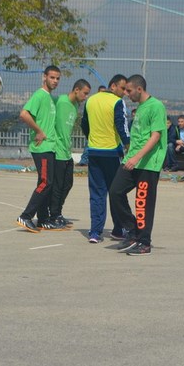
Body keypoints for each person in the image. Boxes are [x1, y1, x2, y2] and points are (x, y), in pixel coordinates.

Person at [110, 74, 167, 256]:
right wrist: (130, 156)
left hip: (148, 163)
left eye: (128, 90)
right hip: (132, 160)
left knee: (142, 203)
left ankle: (144, 242)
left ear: (139, 89)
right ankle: (133, 231)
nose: (126, 93)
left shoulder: (156, 106)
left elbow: (155, 136)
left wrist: (137, 158)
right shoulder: (141, 107)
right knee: (115, 192)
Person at [81, 74, 130, 243]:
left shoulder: (90, 100)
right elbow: (121, 126)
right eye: (122, 88)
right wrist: (129, 146)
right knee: (115, 192)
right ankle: (118, 229)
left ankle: (95, 232)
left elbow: (84, 124)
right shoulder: (117, 102)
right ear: (113, 86)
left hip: (94, 152)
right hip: (111, 153)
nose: (124, 92)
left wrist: (92, 138)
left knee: (97, 193)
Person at [15, 65, 62, 233]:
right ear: (44, 77)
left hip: (50, 147)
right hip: (41, 148)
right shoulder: (39, 95)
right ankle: (26, 216)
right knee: (45, 183)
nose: (55, 81)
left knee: (45, 183)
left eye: (57, 78)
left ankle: (42, 219)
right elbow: (24, 114)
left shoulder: (50, 98)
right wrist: (39, 131)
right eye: (52, 77)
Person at [49, 79, 91, 228]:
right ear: (76, 90)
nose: (86, 96)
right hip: (57, 150)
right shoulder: (60, 101)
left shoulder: (75, 105)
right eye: (85, 93)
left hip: (67, 152)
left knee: (68, 184)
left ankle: (58, 213)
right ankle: (52, 215)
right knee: (57, 185)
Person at [77, 85, 107, 166]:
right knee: (88, 145)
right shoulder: (92, 102)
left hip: (104, 131)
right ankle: (84, 161)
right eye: (100, 92)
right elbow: (85, 120)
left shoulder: (107, 104)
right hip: (93, 129)